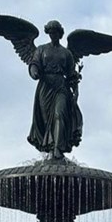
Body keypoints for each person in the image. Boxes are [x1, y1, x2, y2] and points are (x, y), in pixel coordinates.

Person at [28, 21, 82, 159]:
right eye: (50, 32)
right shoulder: (41, 49)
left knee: (60, 114)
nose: (53, 35)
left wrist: (75, 80)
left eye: (55, 32)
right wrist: (34, 72)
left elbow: (70, 73)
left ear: (60, 33)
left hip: (61, 86)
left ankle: (58, 148)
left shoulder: (66, 53)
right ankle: (50, 147)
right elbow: (34, 63)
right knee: (47, 121)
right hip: (45, 86)